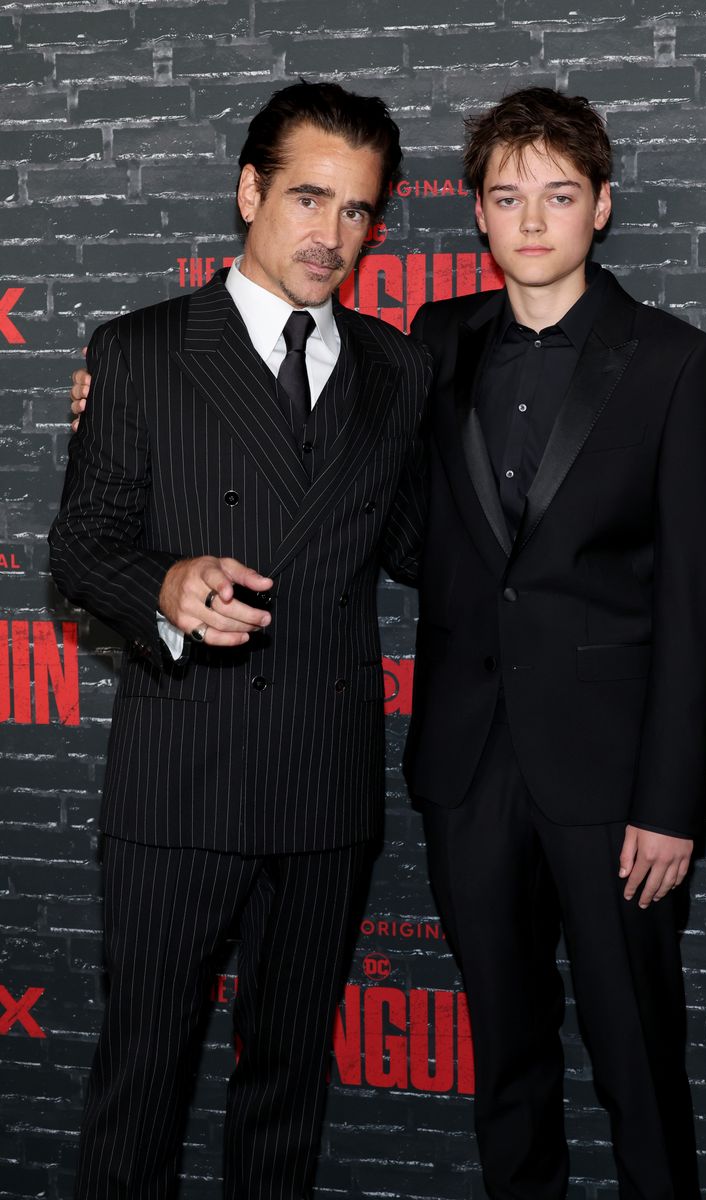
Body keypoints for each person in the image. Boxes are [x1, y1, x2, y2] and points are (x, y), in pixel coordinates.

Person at [50, 80, 429, 1200]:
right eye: (308, 198)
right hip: (180, 780)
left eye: (357, 212)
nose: (330, 236)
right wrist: (166, 581)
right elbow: (81, 548)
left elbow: (415, 544)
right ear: (248, 191)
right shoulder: (140, 351)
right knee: (142, 1082)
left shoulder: (397, 367)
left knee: (285, 1088)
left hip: (321, 778)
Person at [403, 88, 706, 1198]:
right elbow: (364, 468)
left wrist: (668, 803)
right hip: (464, 765)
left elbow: (694, 600)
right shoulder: (436, 340)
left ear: (601, 207)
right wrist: (143, 389)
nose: (531, 220)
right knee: (505, 1059)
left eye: (556, 195)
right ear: (477, 217)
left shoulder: (675, 363)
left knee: (637, 1063)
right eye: (506, 197)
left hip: (611, 784)